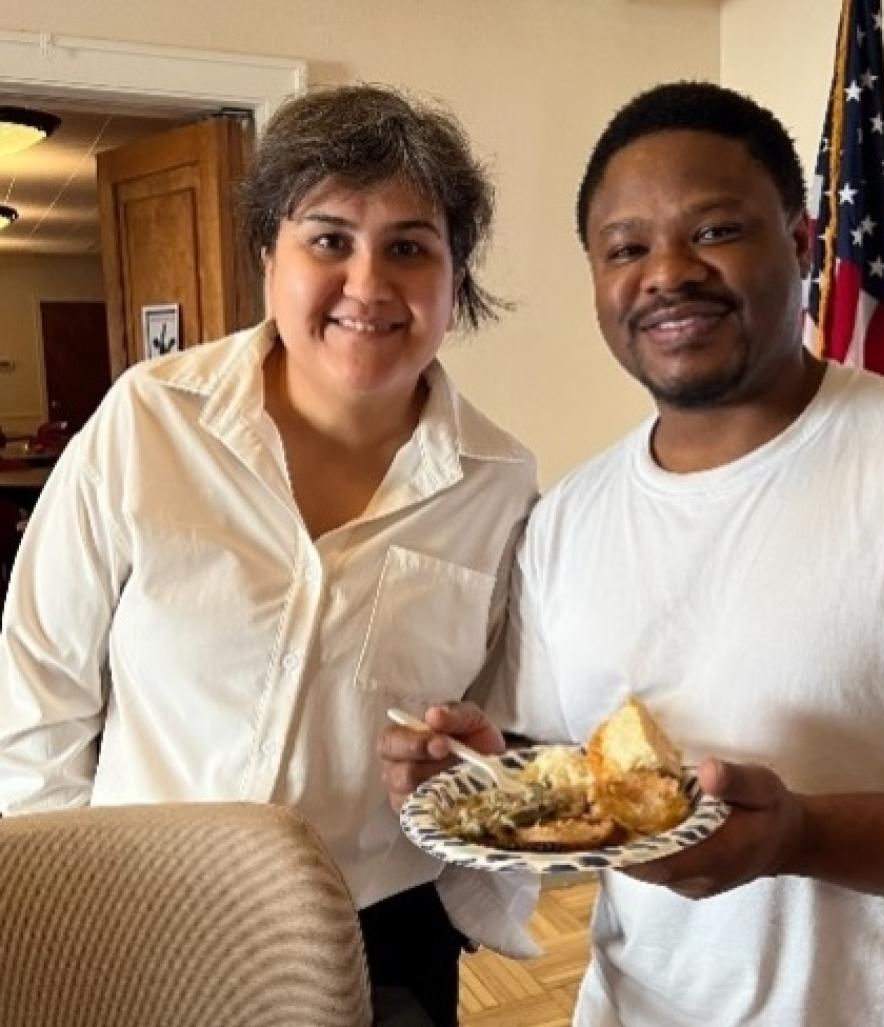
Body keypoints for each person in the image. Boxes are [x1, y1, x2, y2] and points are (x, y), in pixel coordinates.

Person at [379, 81, 884, 1026]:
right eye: (626, 247)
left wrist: (800, 834)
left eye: (713, 231)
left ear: (801, 243)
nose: (666, 272)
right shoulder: (570, 518)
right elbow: (578, 756)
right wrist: (489, 774)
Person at [0, 84, 538, 1027]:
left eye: (409, 247)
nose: (367, 284)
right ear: (268, 259)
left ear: (458, 280)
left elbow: (504, 732)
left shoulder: (500, 486)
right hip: (132, 911)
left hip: (380, 933)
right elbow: (36, 693)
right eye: (328, 239)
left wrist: (478, 769)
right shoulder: (147, 421)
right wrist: (50, 915)